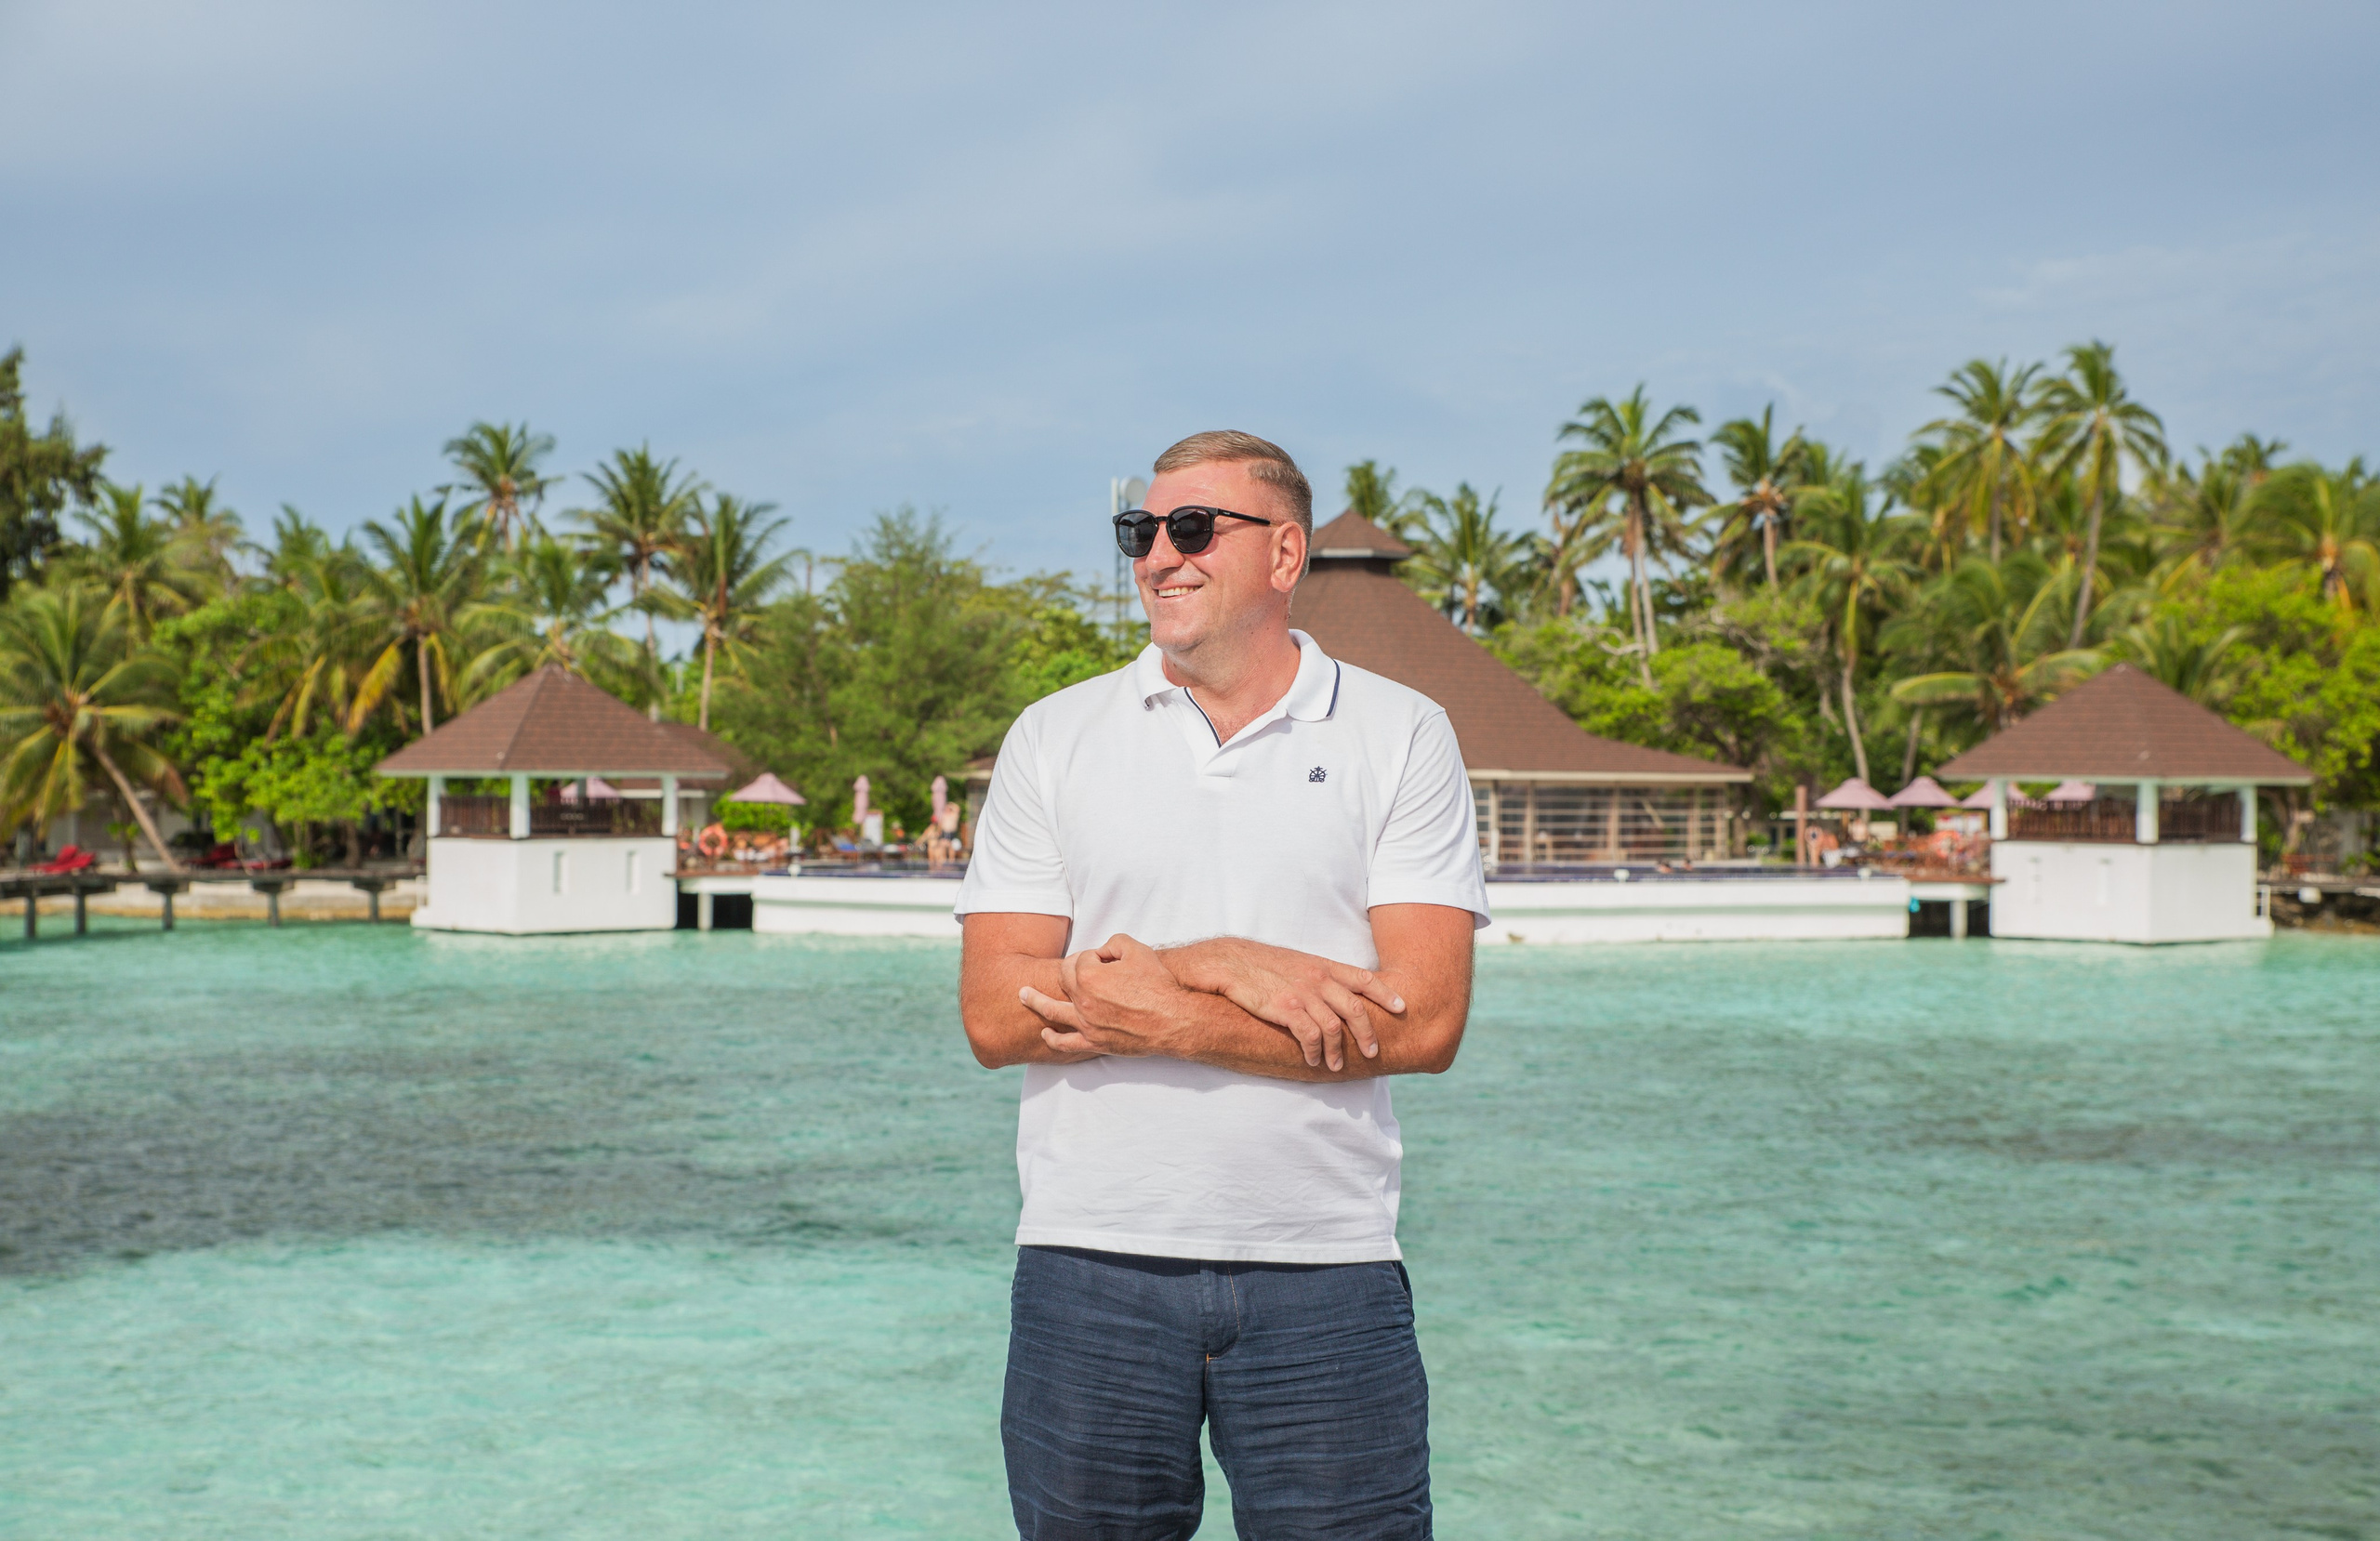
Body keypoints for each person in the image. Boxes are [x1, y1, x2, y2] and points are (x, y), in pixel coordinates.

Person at [957, 430, 1489, 1539]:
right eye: (1138, 532)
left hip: (1327, 1273)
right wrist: (1221, 960)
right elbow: (994, 1013)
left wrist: (1157, 1004)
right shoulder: (1052, 736)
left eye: (1192, 528)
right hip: (1086, 1267)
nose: (1158, 554)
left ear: (1284, 553)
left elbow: (1426, 1019)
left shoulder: (1402, 734)